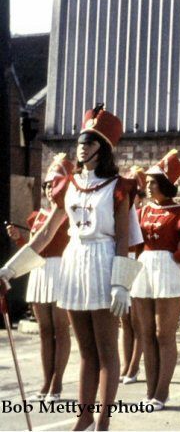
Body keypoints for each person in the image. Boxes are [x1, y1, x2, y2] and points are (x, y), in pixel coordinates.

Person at [1, 105, 143, 430]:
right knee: (86, 351)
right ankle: (84, 417)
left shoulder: (120, 187)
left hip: (104, 261)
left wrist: (121, 283)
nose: (81, 147)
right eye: (80, 141)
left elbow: (123, 238)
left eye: (89, 142)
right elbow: (46, 233)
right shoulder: (68, 185)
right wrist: (9, 269)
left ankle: (103, 421)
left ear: (102, 148)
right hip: (75, 263)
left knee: (106, 350)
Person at [131, 150, 180, 410]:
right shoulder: (141, 211)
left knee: (163, 334)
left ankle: (162, 393)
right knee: (146, 334)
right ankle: (150, 390)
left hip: (167, 269)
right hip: (144, 268)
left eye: (153, 182)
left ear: (164, 184)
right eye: (147, 182)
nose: (148, 186)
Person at [4, 154, 72, 402]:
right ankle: (45, 384)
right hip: (40, 272)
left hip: (61, 270)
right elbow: (35, 248)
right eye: (47, 185)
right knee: (45, 330)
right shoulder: (37, 216)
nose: (50, 190)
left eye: (55, 184)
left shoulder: (68, 213)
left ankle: (57, 384)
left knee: (60, 330)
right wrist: (19, 240)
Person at [120, 165, 146, 385]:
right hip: (122, 261)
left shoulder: (144, 215)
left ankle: (134, 365)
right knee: (124, 319)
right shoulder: (120, 211)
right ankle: (125, 364)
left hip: (137, 263)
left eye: (136, 194)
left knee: (137, 320)